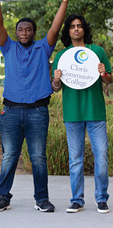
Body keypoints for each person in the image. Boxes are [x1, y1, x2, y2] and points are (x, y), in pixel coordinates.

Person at [0, 0, 69, 213]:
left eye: (28, 30)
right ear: (16, 33)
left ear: (34, 32)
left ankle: (41, 199)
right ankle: (3, 197)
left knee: (38, 158)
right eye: (20, 30)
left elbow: (56, 26)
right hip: (11, 112)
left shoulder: (43, 48)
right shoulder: (9, 47)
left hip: (37, 112)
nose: (24, 33)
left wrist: (64, 1)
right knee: (9, 157)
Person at [52, 14, 112, 214]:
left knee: (101, 156)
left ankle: (102, 199)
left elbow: (109, 80)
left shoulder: (98, 52)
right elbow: (56, 88)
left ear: (84, 29)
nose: (76, 29)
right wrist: (57, 79)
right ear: (68, 31)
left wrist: (105, 73)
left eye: (79, 26)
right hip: (73, 113)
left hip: (95, 112)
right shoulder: (62, 56)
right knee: (75, 159)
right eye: (72, 26)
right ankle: (77, 200)